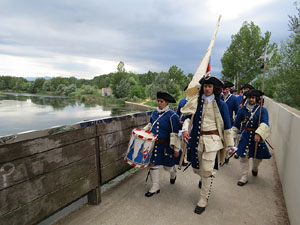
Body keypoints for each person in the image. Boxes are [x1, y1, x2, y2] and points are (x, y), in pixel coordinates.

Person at [182, 76, 234, 214]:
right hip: (197, 140)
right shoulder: (196, 102)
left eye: (210, 86)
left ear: (214, 88)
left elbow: (227, 126)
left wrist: (230, 145)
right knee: (197, 168)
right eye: (205, 86)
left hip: (213, 140)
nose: (207, 88)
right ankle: (205, 177)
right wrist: (185, 129)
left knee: (207, 170)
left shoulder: (221, 105)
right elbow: (187, 118)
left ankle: (203, 199)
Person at [143, 92, 181, 197]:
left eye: (161, 101)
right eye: (158, 101)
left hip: (166, 146)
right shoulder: (154, 113)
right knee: (152, 164)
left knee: (167, 167)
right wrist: (143, 131)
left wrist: (176, 149)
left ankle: (173, 172)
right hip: (155, 145)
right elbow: (151, 124)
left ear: (166, 102)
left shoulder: (172, 116)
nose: (159, 103)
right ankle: (155, 186)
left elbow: (175, 133)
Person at [232, 89, 271, 186]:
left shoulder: (262, 110)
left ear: (256, 99)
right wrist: (232, 138)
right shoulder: (242, 110)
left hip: (257, 136)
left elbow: (265, 123)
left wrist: (259, 133)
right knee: (243, 157)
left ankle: (255, 168)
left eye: (253, 98)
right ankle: (244, 176)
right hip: (245, 135)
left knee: (258, 157)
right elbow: (236, 124)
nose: (251, 100)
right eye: (249, 98)